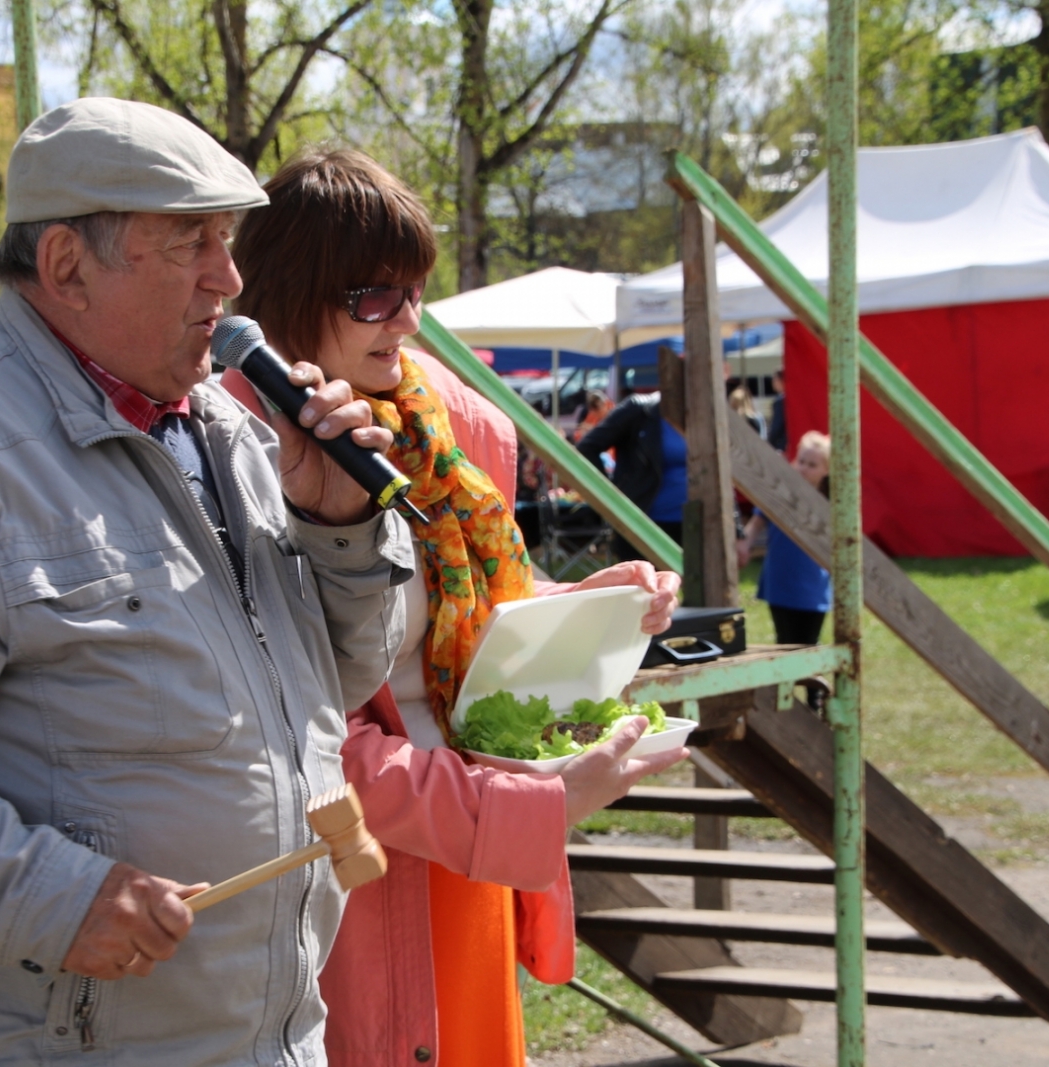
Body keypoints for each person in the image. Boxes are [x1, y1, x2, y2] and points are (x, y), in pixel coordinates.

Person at [0, 98, 411, 1065]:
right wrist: (46, 896)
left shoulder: (231, 428)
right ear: (65, 266)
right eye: (191, 245)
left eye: (227, 241)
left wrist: (339, 525)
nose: (231, 278)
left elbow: (327, 690)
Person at [227, 148, 687, 1067]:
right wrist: (520, 811)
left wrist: (580, 606)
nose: (407, 319)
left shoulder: (454, 431)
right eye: (372, 296)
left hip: (468, 845)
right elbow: (292, 733)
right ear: (285, 298)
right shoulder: (229, 445)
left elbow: (471, 614)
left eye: (414, 290)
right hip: (329, 872)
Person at [738, 430, 832, 644]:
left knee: (809, 641)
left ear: (826, 470)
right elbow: (757, 522)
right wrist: (746, 543)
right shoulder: (781, 492)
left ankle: (808, 678)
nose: (804, 469)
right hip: (781, 579)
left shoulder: (828, 503)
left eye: (812, 465)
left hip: (812, 583)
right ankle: (782, 678)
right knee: (785, 640)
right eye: (801, 462)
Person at [577, 389, 688, 558]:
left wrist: (737, 531)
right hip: (644, 524)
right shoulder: (641, 409)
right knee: (646, 583)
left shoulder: (706, 412)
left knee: (702, 583)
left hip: (697, 523)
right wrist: (611, 496)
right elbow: (587, 447)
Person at [767, 368, 788, 453]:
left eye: (775, 379)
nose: (773, 382)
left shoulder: (780, 401)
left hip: (781, 448)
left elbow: (776, 427)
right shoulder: (795, 399)